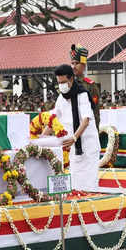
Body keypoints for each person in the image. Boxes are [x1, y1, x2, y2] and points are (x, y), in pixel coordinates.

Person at [52, 64, 100, 192]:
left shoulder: (82, 94)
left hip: (88, 147)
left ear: (71, 79)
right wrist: (39, 139)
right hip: (74, 149)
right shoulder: (61, 98)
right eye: (59, 82)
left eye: (63, 82)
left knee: (88, 185)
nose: (61, 85)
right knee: (75, 185)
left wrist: (74, 137)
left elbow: (86, 120)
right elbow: (52, 120)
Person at [70, 44, 100, 130]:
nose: (73, 66)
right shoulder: (67, 84)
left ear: (84, 65)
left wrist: (95, 130)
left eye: (77, 63)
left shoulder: (90, 85)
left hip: (87, 128)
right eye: (72, 63)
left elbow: (95, 111)